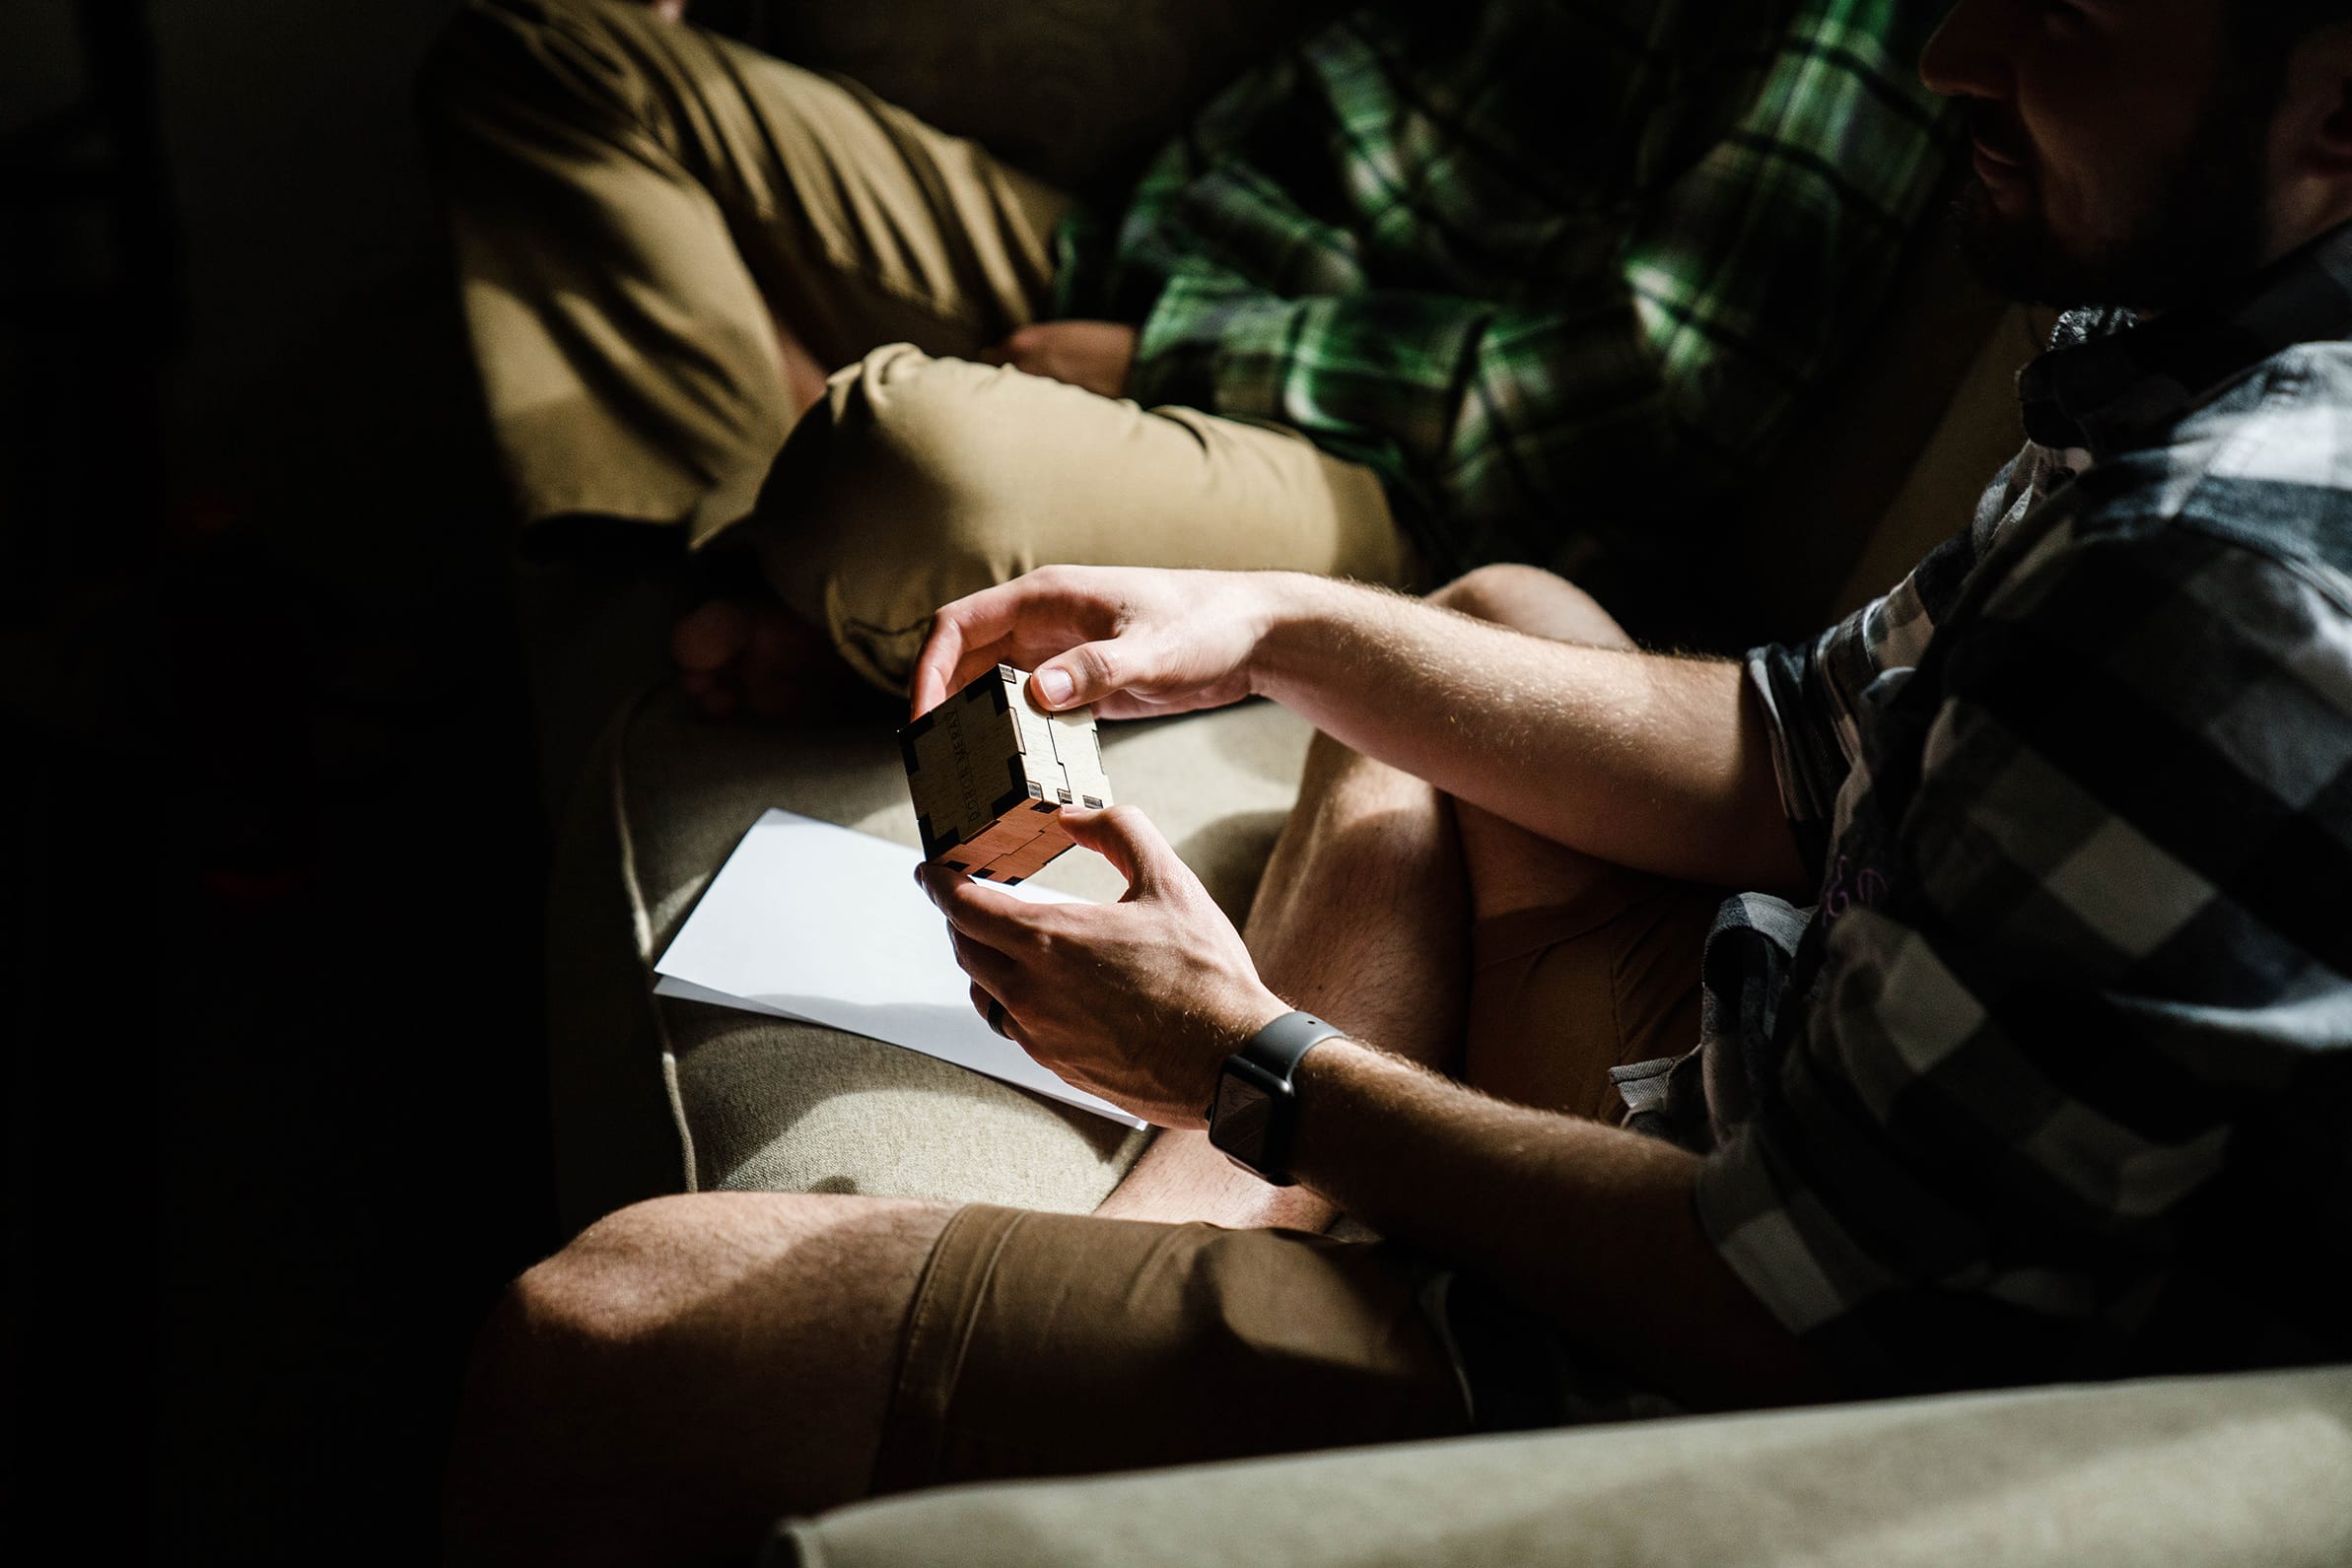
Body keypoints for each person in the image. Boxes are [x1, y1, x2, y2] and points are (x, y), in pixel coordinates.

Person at [447, 1, 2352, 1563]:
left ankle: (1204, 1224)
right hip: (1759, 1108)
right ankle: (1227, 1222)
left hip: (1729, 1380)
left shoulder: (2221, 583)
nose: (1953, 50)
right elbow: (1796, 743)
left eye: (2068, 19)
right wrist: (1282, 623)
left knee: (599, 1326)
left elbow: (1797, 1316)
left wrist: (1258, 1067)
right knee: (1488, 616)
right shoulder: (2202, 350)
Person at [419, 0, 1955, 712]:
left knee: (906, 461)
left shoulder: (1857, 26)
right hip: (1118, 246)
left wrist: (1177, 349)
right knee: (550, 56)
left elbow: (1652, 391)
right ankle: (740, 567)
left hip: (1377, 471)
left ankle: (812, 574)